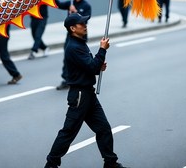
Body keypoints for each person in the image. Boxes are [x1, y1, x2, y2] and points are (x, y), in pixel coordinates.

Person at [44, 13, 128, 168]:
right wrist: (102, 51)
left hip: (88, 93)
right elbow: (91, 66)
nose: (85, 25)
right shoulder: (74, 47)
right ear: (72, 28)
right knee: (68, 132)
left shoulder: (79, 42)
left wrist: (98, 64)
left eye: (85, 22)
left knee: (103, 128)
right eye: (82, 24)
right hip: (80, 95)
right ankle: (51, 164)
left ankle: (110, 162)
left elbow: (90, 67)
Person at [55, 0, 92, 90]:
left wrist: (75, 12)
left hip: (81, 35)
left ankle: (79, 78)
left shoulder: (86, 5)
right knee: (67, 56)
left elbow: (86, 20)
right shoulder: (70, 3)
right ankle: (66, 79)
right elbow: (59, 4)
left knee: (80, 57)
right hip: (70, 34)